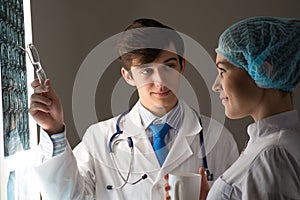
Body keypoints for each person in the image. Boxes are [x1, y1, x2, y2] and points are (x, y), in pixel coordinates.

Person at [30, 18, 239, 200]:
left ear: (182, 66)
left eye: (169, 66)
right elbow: (66, 197)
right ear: (128, 76)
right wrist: (54, 129)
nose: (160, 82)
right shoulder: (100, 139)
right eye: (146, 70)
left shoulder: (218, 139)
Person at [164, 16, 300, 199]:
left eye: (223, 71)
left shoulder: (271, 155)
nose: (215, 85)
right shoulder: (277, 144)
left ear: (264, 70)